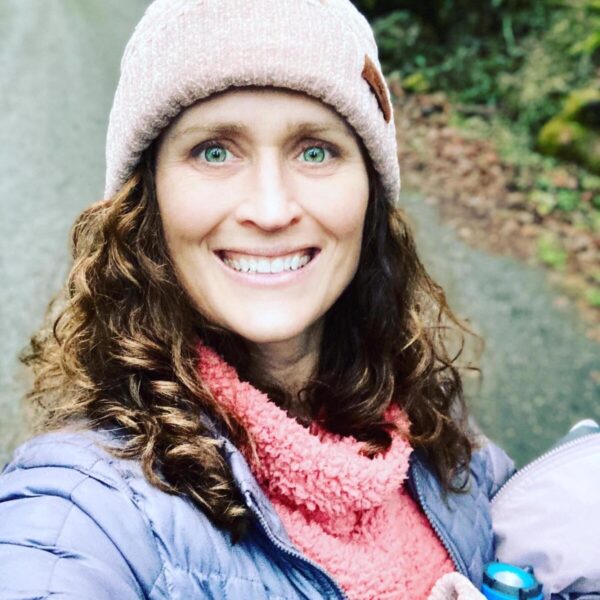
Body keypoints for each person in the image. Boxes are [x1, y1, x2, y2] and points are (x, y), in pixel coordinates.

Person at [0, 1, 515, 598]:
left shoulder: (425, 416)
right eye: (214, 151)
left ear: (370, 195)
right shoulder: (82, 510)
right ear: (148, 198)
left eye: (315, 150)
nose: (271, 210)